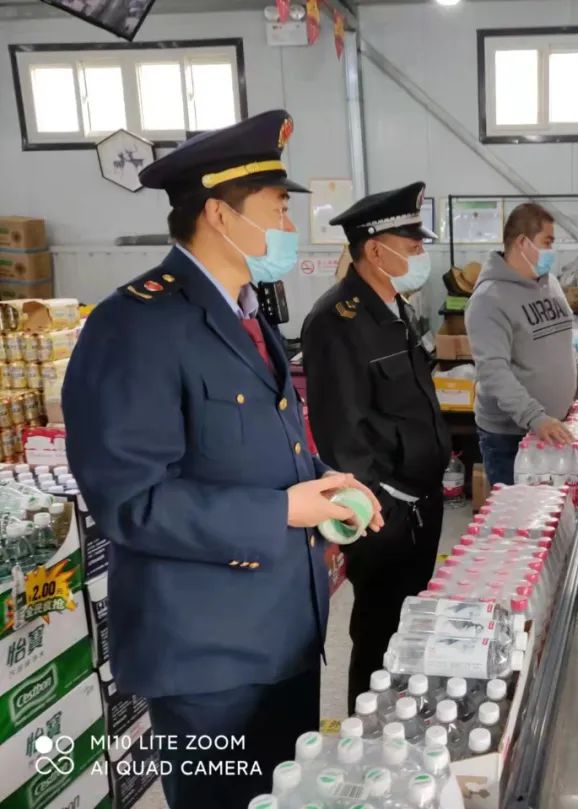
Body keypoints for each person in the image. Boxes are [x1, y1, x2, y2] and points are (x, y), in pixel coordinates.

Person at [62, 110, 382, 809]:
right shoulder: (136, 324)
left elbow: (253, 443)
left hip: (279, 635)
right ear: (218, 213)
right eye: (278, 209)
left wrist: (318, 483)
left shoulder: (246, 311)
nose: (291, 226)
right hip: (208, 654)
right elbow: (130, 498)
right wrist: (280, 511)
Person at [301, 181, 451, 712]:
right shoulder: (335, 323)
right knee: (379, 633)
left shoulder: (398, 309)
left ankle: (402, 721)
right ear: (374, 249)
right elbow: (343, 435)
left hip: (422, 502)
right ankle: (368, 734)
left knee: (408, 628)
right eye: (411, 248)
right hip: (386, 515)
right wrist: (380, 512)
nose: (419, 257)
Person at [465, 202, 578, 486]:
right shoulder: (488, 299)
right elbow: (493, 373)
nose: (553, 251)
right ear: (522, 242)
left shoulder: (548, 282)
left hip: (551, 426)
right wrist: (535, 417)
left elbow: (564, 340)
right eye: (548, 242)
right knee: (517, 523)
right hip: (511, 438)